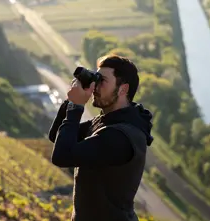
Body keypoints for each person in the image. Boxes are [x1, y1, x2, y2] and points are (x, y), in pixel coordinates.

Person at [48, 54, 154, 221]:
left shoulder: (120, 137)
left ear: (123, 89)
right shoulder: (105, 122)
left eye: (102, 80)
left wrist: (77, 106)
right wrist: (71, 100)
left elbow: (62, 156)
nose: (95, 85)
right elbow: (57, 136)